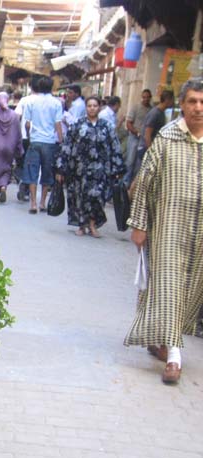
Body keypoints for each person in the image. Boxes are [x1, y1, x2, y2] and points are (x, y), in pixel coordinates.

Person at [124, 78, 203, 385]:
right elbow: (143, 183)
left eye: (202, 102)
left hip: (199, 234)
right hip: (168, 228)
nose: (198, 107)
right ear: (181, 105)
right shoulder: (167, 138)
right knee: (169, 286)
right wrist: (139, 224)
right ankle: (174, 356)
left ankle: (161, 337)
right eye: (192, 101)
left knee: (189, 291)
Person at [55, 96, 125, 237]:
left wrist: (117, 167)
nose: (92, 108)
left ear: (99, 107)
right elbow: (68, 145)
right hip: (80, 169)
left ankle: (92, 224)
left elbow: (114, 147)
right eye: (89, 106)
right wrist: (61, 167)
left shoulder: (107, 126)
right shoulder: (77, 125)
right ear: (86, 108)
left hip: (100, 169)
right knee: (80, 196)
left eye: (95, 105)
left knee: (97, 197)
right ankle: (82, 224)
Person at [22, 76, 63, 214]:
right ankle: (42, 203)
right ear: (51, 87)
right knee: (47, 172)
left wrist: (28, 135)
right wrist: (61, 141)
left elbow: (27, 123)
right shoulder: (56, 103)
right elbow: (58, 124)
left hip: (35, 140)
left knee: (32, 171)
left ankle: (33, 203)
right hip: (49, 142)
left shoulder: (31, 102)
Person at [123, 89, 152, 185]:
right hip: (134, 138)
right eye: (144, 97)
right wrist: (137, 133)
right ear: (141, 97)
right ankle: (125, 184)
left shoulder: (151, 110)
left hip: (144, 140)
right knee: (130, 161)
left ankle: (133, 185)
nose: (146, 99)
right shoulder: (135, 107)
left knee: (139, 164)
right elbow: (128, 123)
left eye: (148, 97)